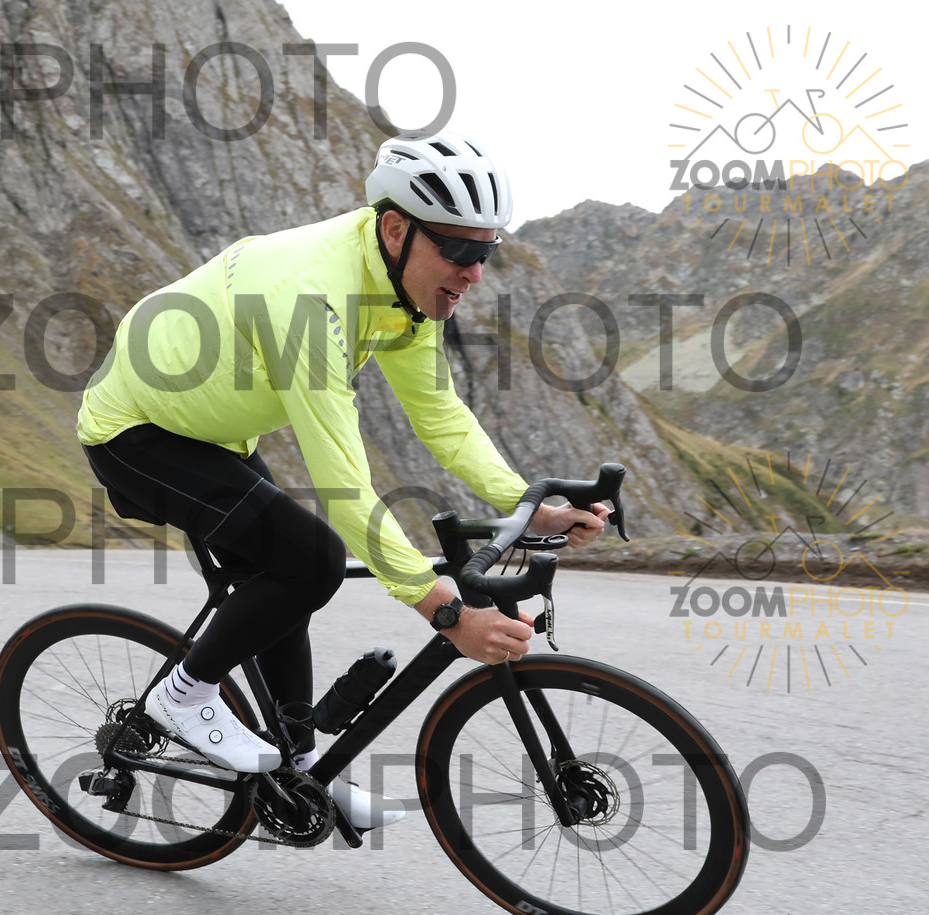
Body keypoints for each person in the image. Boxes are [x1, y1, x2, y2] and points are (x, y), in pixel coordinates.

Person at [77, 133, 609, 829]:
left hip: (213, 433)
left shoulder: (405, 292)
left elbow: (440, 415)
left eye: (487, 252)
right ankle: (182, 695)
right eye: (460, 250)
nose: (475, 273)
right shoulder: (311, 299)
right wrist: (446, 614)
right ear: (396, 230)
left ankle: (297, 771)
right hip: (134, 432)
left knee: (285, 580)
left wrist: (526, 505)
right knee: (312, 560)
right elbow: (345, 486)